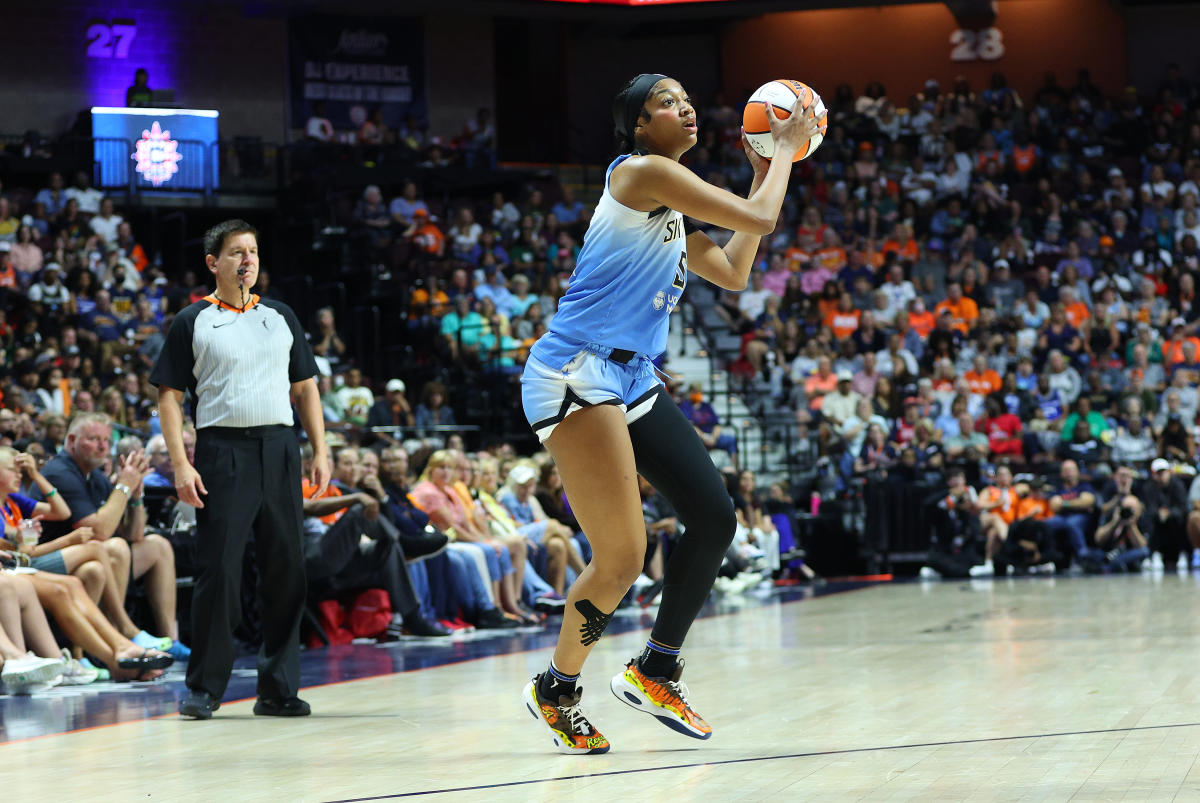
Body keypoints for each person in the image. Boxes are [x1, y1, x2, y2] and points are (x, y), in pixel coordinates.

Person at [518, 73, 819, 754]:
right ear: (638, 126)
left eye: (685, 98)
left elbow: (738, 271)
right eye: (665, 101)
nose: (683, 107)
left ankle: (656, 668)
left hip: (629, 374)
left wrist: (773, 171)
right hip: (577, 369)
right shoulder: (641, 173)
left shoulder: (671, 211)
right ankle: (556, 688)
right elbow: (763, 217)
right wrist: (781, 161)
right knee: (621, 557)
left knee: (714, 515)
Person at [151, 219, 330, 720]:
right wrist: (181, 464)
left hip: (279, 447)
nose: (247, 260)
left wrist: (320, 448)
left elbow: (305, 387)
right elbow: (169, 396)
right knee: (220, 571)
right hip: (221, 449)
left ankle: (277, 688)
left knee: (287, 569)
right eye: (236, 253)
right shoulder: (193, 320)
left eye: (252, 251)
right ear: (214, 264)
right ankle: (205, 688)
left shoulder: (281, 315)